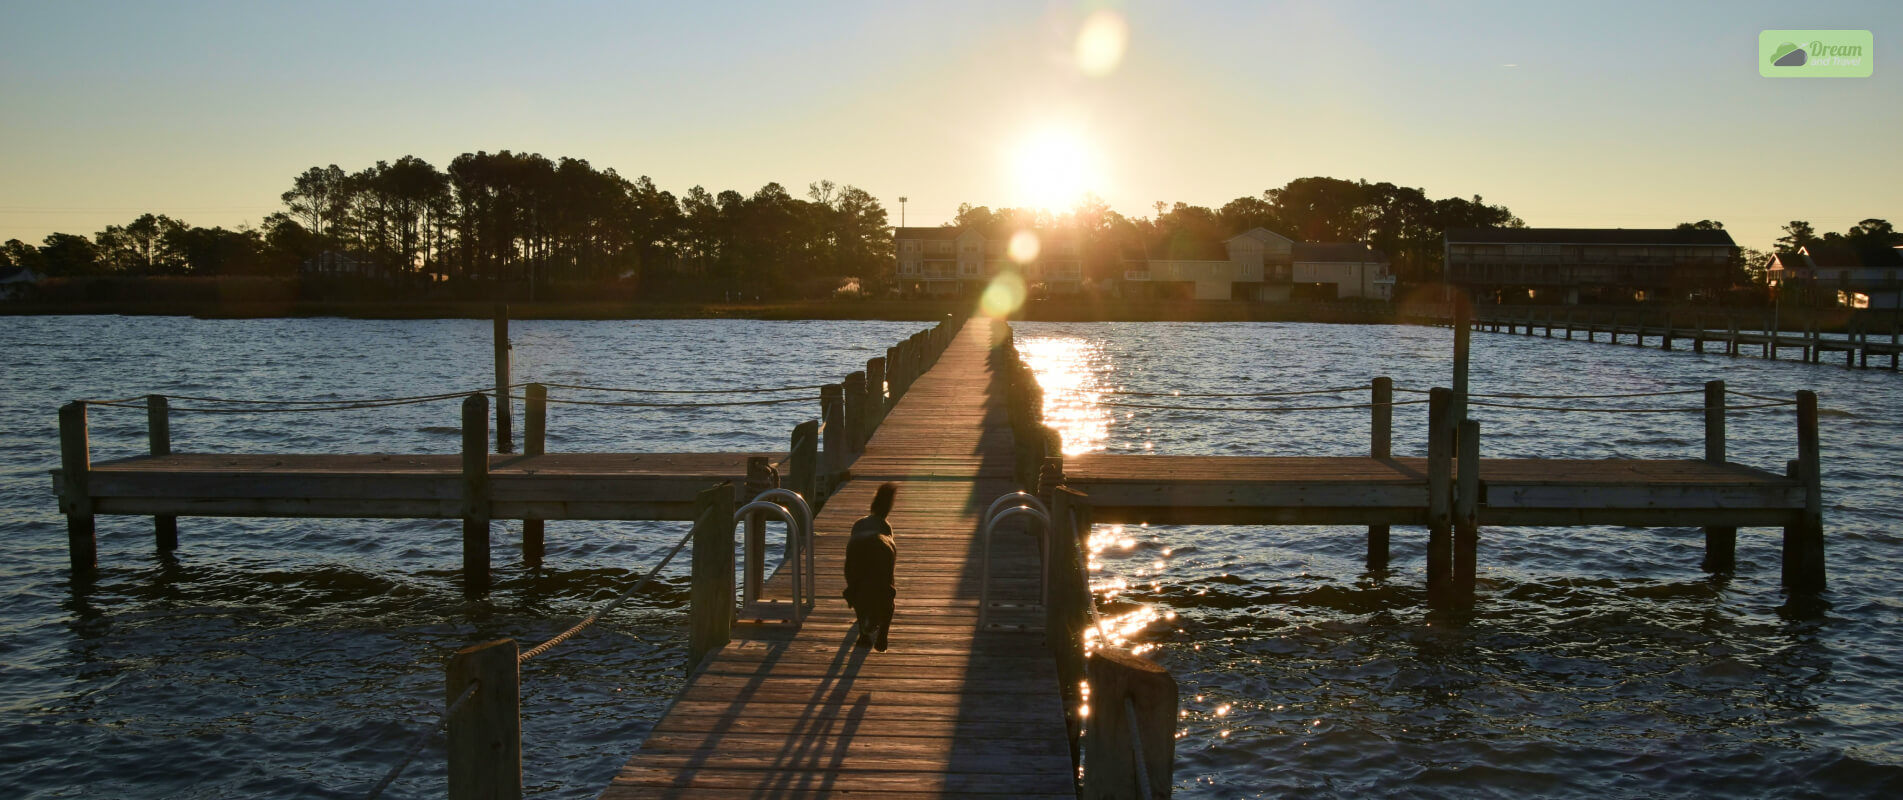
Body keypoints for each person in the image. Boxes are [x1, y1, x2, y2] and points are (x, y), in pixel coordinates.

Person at [843, 483, 898, 651]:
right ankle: (881, 636)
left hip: (858, 547)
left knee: (856, 589)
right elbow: (889, 596)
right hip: (883, 548)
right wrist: (882, 637)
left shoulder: (858, 527)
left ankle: (864, 635)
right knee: (886, 592)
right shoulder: (885, 530)